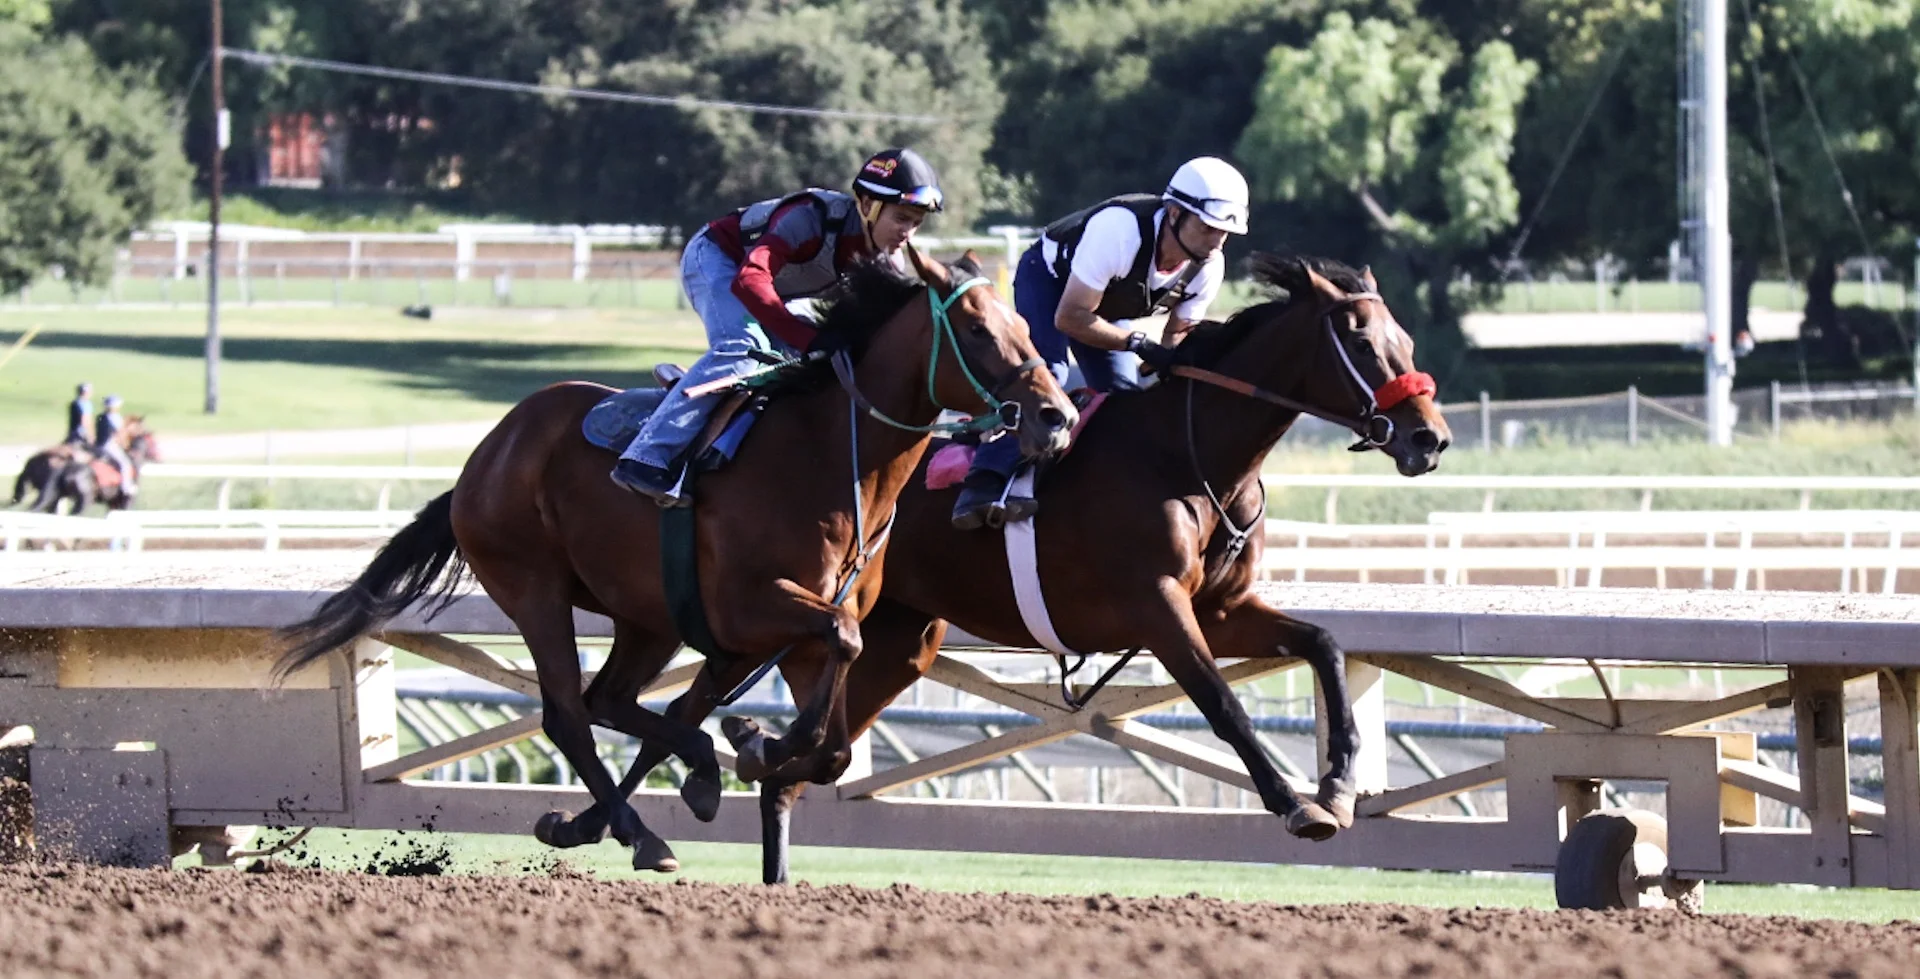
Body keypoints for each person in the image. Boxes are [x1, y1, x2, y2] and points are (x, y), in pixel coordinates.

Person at [610, 148, 948, 508]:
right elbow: (750, 279)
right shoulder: (809, 218)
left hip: (777, 291)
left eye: (916, 223)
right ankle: (646, 457)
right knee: (744, 348)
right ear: (867, 204)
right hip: (717, 260)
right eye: (901, 218)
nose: (908, 233)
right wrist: (809, 338)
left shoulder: (887, 259)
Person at [951, 156, 1250, 530]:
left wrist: (1170, 372)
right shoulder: (1121, 232)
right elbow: (1070, 318)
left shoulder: (1208, 265)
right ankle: (983, 479)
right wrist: (1137, 342)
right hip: (1049, 284)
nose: (1217, 241)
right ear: (1174, 213)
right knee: (1051, 377)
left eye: (1224, 233)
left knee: (1123, 397)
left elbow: (1175, 339)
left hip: (1101, 306)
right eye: (1208, 228)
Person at [94, 394, 138, 497]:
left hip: (99, 445)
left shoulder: (100, 416)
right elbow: (119, 434)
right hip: (109, 445)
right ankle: (126, 487)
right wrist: (126, 445)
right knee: (125, 464)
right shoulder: (115, 418)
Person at [66, 382, 94, 449]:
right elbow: (84, 420)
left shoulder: (75, 403)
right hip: (81, 432)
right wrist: (89, 435)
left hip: (73, 432)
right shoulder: (84, 404)